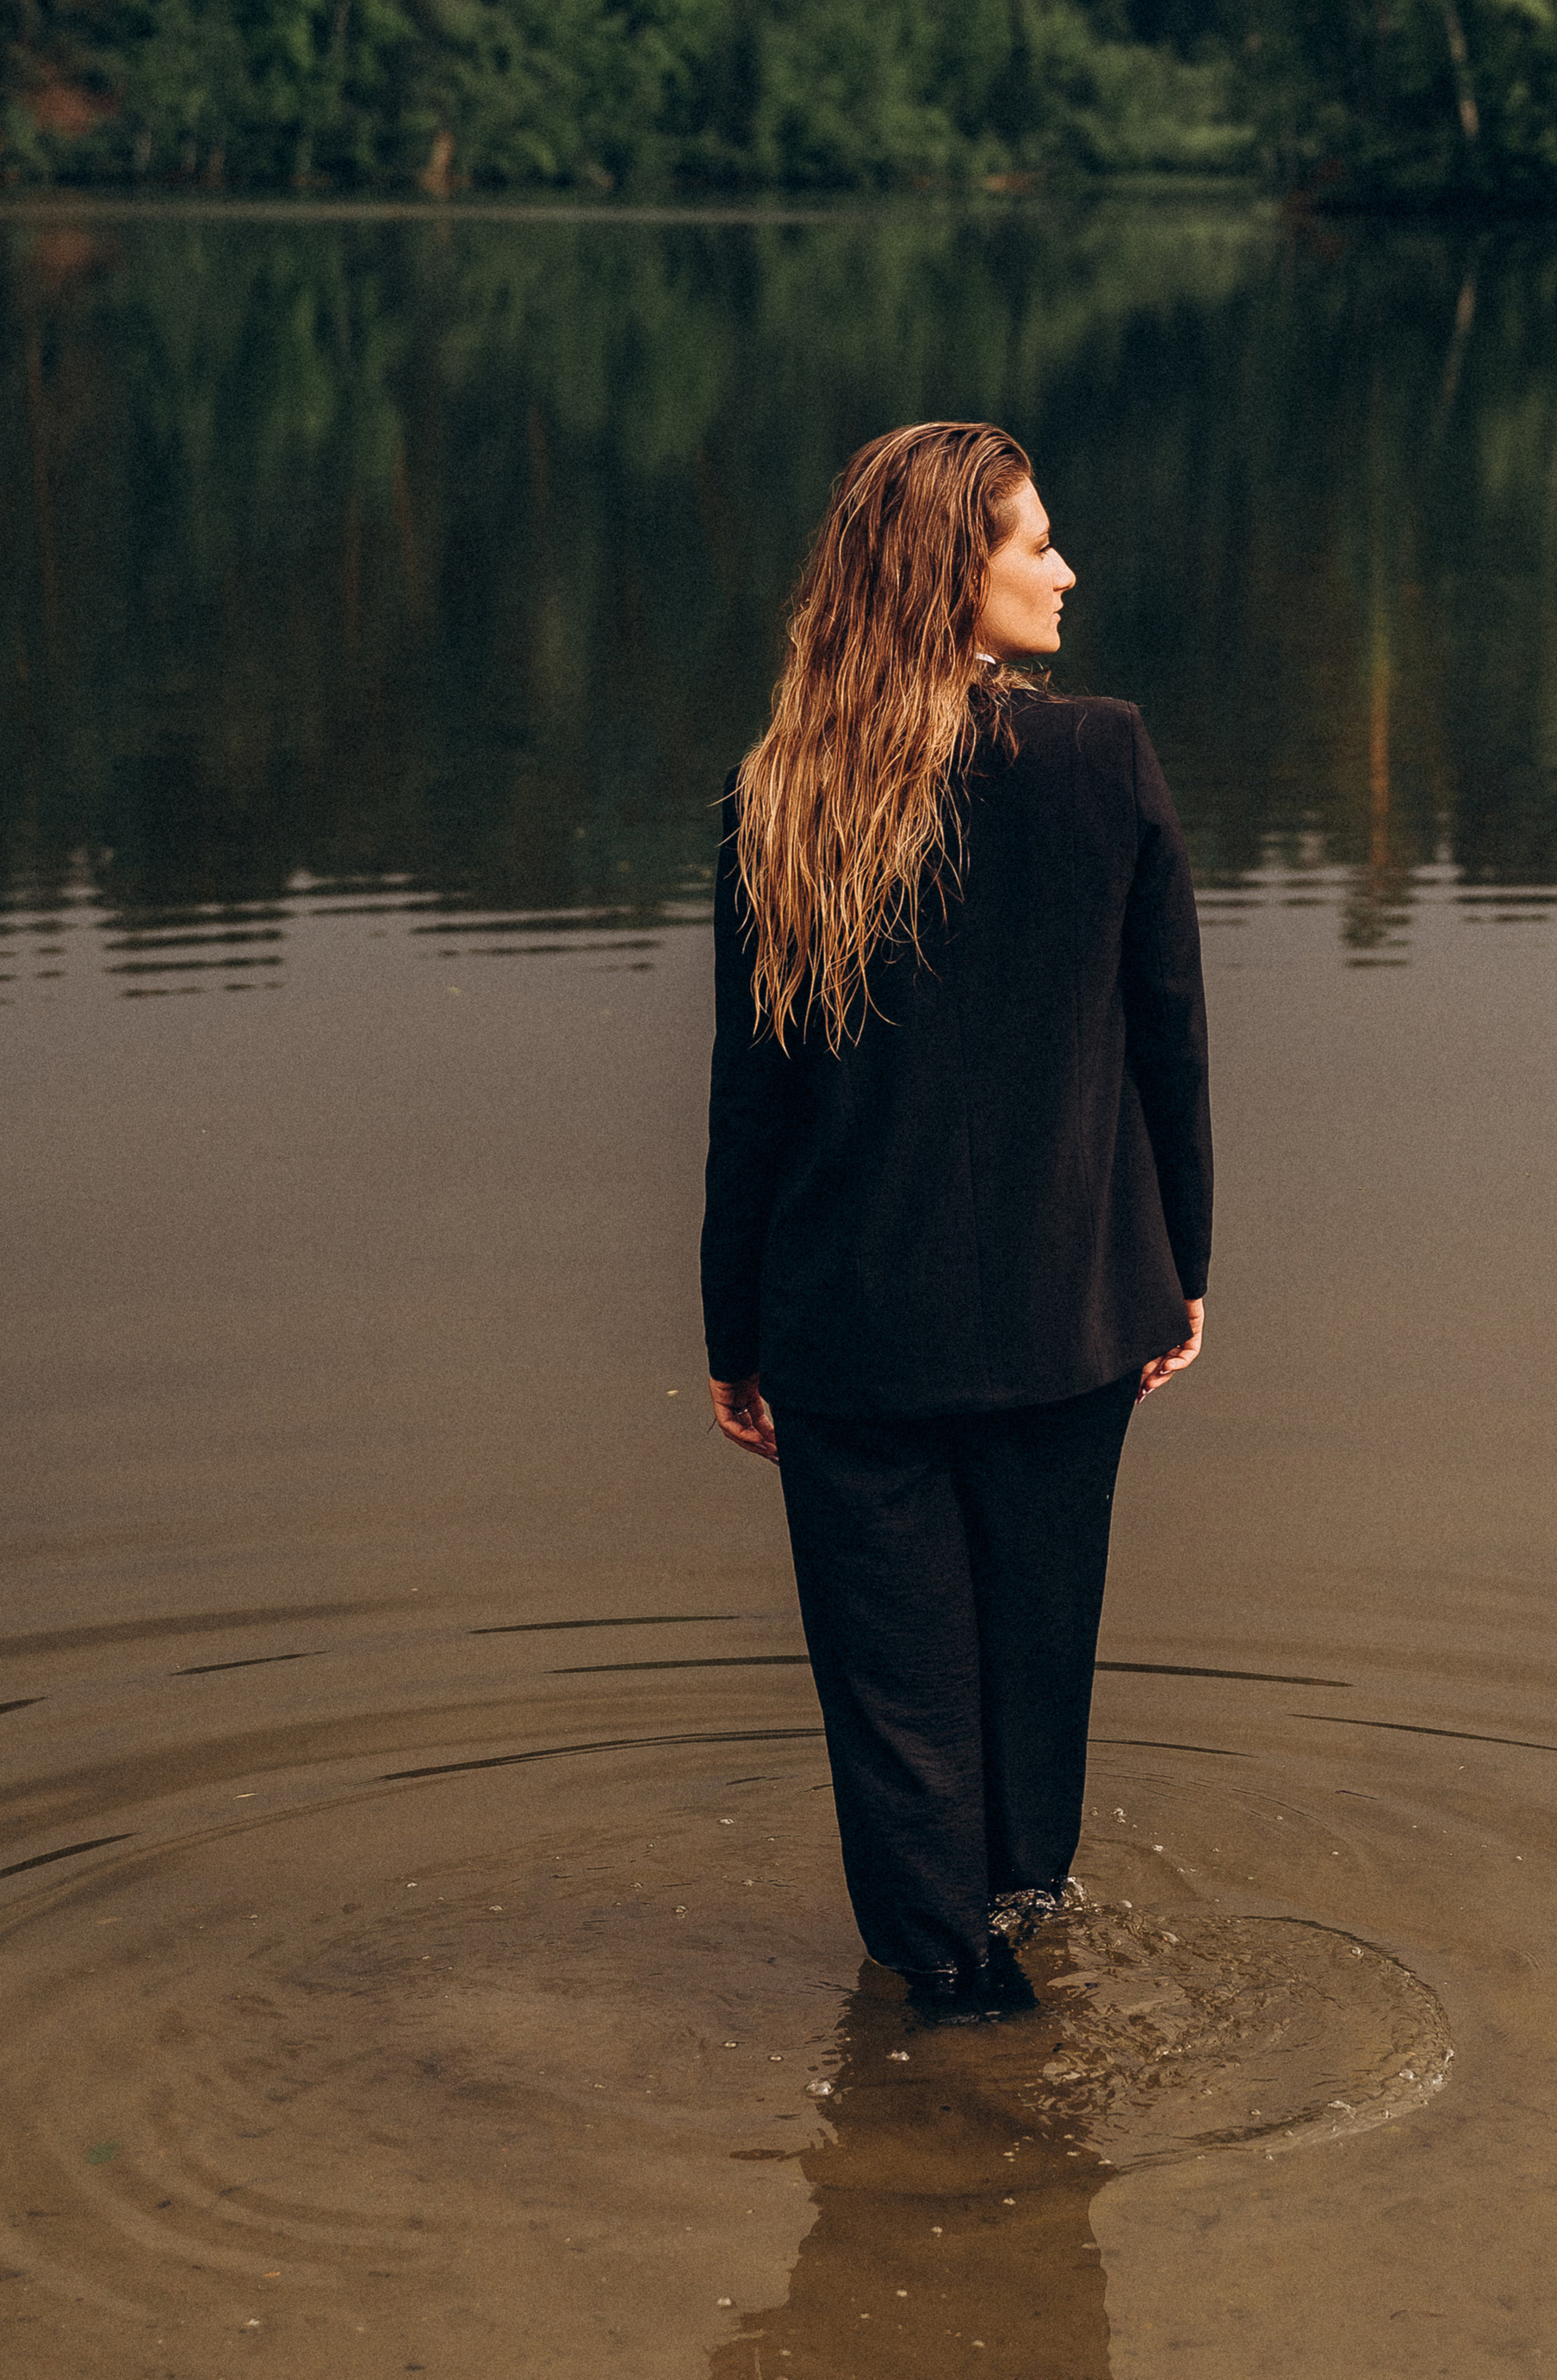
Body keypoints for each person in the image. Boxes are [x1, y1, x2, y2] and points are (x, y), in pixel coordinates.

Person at [699, 421, 1212, 2023]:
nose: (1066, 568)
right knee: (1033, 1668)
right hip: (1071, 1308)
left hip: (847, 1324)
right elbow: (1168, 1039)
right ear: (950, 575)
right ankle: (1011, 1960)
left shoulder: (778, 793)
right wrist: (1177, 1271)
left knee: (894, 1699)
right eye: (1034, 543)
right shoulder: (1103, 757)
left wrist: (735, 1335)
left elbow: (750, 1100)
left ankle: (951, 1991)